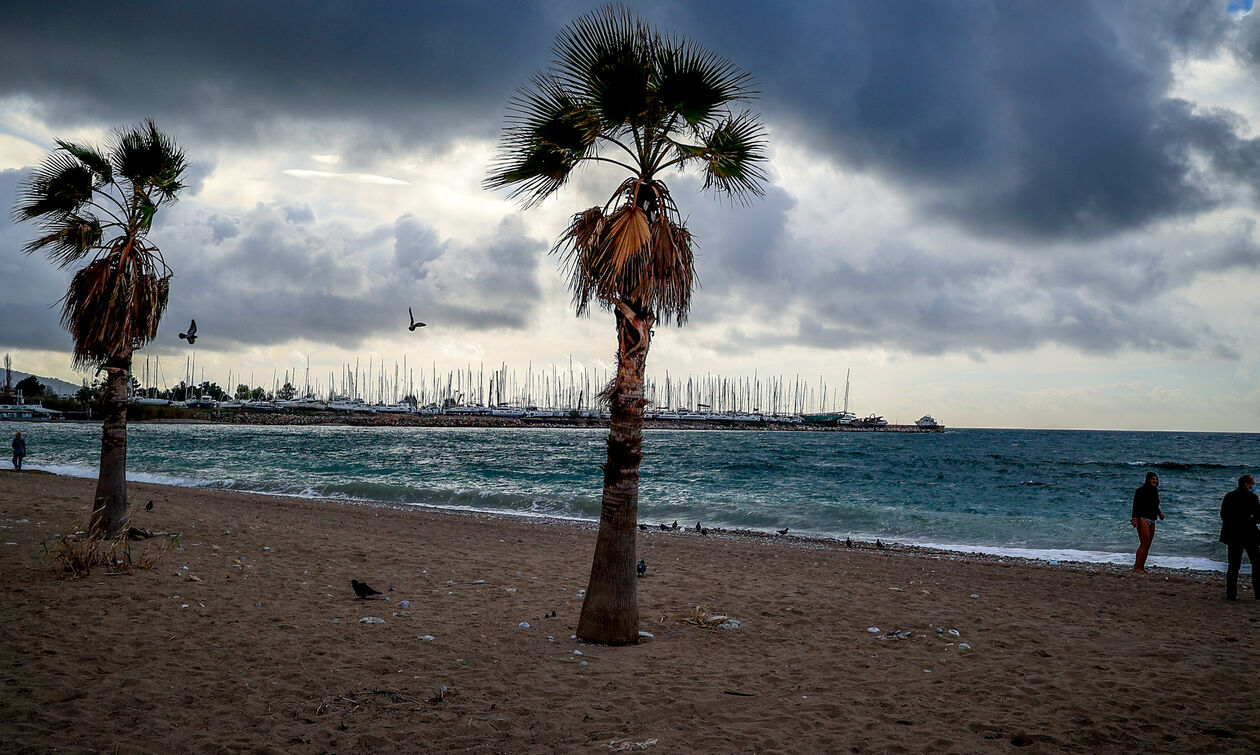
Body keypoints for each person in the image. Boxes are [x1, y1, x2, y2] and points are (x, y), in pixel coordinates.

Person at [1219, 474, 1260, 601]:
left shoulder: (1229, 496)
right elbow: (1258, 516)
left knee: (1233, 566)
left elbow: (1223, 515)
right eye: (1252, 483)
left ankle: (1231, 595)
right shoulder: (1252, 497)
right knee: (1257, 563)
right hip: (1249, 535)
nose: (1254, 485)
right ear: (1247, 484)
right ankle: (1258, 593)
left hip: (1232, 535)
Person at [1130, 471, 1165, 573]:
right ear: (1148, 480)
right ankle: (1136, 567)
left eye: (1156, 479)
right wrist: (1135, 518)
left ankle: (1141, 567)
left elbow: (1154, 506)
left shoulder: (1155, 491)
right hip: (1143, 519)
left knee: (1148, 545)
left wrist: (1160, 514)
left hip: (1152, 519)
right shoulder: (1140, 491)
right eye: (1152, 479)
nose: (1154, 480)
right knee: (1144, 544)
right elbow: (1136, 505)